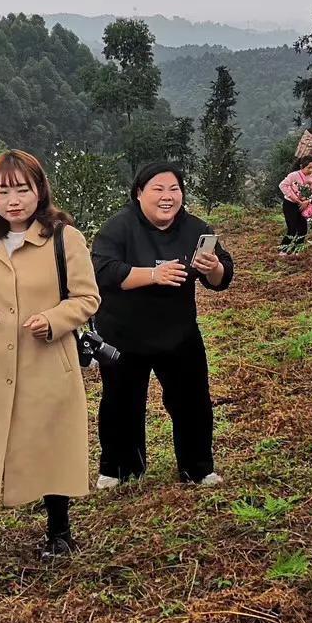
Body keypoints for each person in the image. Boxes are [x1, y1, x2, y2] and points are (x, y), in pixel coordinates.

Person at [0, 150, 99, 585]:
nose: (13, 200)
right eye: (3, 190)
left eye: (22, 190)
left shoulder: (65, 238)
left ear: (39, 190)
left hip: (47, 360)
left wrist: (52, 320)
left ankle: (59, 531)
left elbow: (87, 299)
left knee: (50, 443)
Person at [90, 162, 235, 489]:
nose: (167, 196)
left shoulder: (195, 229)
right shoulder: (119, 228)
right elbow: (103, 272)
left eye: (174, 189)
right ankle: (119, 470)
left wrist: (212, 267)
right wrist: (152, 275)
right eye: (158, 189)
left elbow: (223, 276)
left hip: (178, 333)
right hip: (123, 335)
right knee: (120, 402)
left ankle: (198, 468)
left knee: (192, 401)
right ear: (139, 193)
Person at [278, 156, 312, 255]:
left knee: (303, 229)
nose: (311, 170)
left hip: (304, 205)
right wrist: (295, 199)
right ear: (302, 166)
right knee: (292, 228)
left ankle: (296, 250)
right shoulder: (294, 175)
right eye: (309, 167)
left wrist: (308, 201)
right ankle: (283, 249)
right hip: (290, 204)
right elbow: (282, 185)